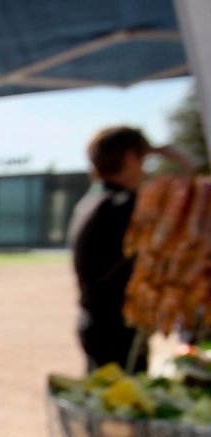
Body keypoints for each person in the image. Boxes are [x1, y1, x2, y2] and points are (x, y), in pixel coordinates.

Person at [67, 126, 195, 373]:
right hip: (116, 330)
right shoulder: (122, 206)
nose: (145, 170)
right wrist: (187, 163)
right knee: (122, 392)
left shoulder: (93, 201)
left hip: (96, 323)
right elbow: (191, 204)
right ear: (129, 158)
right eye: (143, 160)